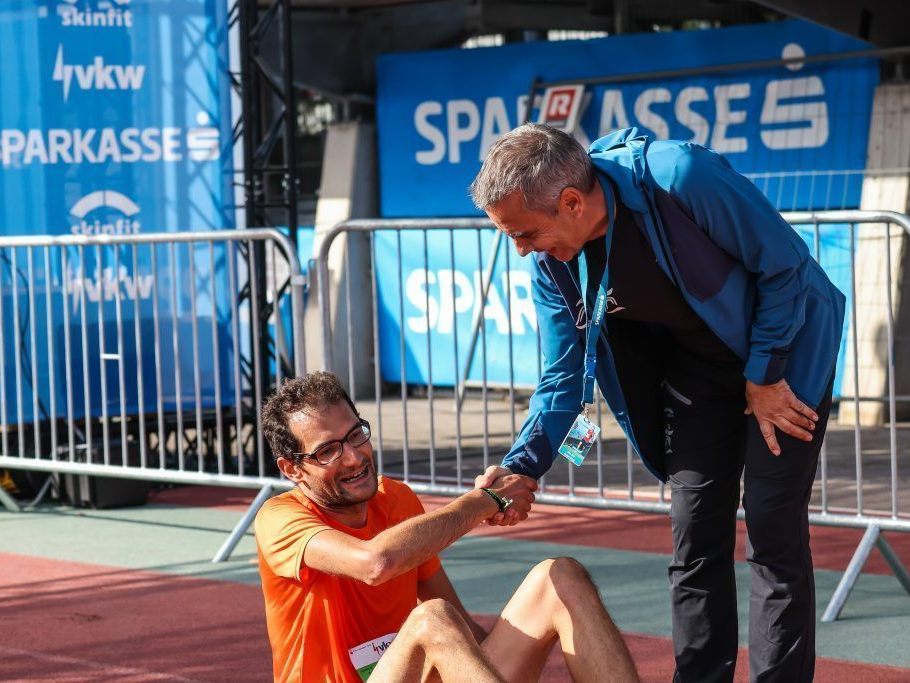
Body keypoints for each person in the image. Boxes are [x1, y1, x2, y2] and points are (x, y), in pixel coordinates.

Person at [470, 124, 844, 683]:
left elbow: (785, 265)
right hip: (698, 371)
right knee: (694, 537)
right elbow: (562, 375)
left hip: (785, 355)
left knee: (773, 530)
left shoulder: (680, 177)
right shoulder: (552, 263)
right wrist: (522, 465)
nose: (520, 249)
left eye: (524, 233)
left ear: (571, 202)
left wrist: (764, 374)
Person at [255, 371, 639, 682]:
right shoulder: (279, 518)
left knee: (561, 577)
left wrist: (505, 666)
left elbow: (462, 630)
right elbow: (375, 563)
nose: (354, 457)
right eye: (328, 451)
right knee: (431, 619)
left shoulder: (397, 499)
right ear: (292, 469)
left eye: (356, 434)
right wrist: (485, 501)